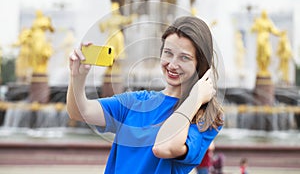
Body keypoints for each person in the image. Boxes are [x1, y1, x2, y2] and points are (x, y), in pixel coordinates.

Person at [67, 16, 224, 173]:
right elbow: (80, 112)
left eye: (184, 57)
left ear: (200, 63)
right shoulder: (135, 101)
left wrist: (194, 100)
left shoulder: (204, 118)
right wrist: (77, 77)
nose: (173, 64)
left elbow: (163, 147)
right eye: (168, 53)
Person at [251, 10, 281, 77]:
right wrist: (254, 23)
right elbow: (252, 29)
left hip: (266, 41)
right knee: (261, 55)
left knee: (268, 54)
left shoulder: (268, 21)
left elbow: (273, 30)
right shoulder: (258, 21)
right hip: (260, 40)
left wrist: (279, 33)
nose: (265, 14)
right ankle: (262, 69)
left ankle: (265, 69)